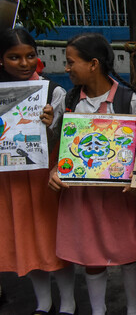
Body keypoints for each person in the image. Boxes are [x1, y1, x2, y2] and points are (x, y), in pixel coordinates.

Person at [48, 33, 136, 315]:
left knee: (129, 255)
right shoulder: (70, 102)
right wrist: (56, 169)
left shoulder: (130, 101)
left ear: (93, 64)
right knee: (91, 256)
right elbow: (63, 148)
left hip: (122, 196)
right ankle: (97, 310)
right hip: (84, 195)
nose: (67, 68)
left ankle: (133, 309)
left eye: (70, 62)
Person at [0, 28, 77, 315]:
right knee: (25, 237)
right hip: (10, 177)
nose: (24, 63)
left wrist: (49, 125)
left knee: (53, 238)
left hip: (45, 175)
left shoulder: (52, 91)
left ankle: (68, 302)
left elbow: (65, 138)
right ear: (1, 60)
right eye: (14, 57)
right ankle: (43, 302)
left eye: (30, 55)